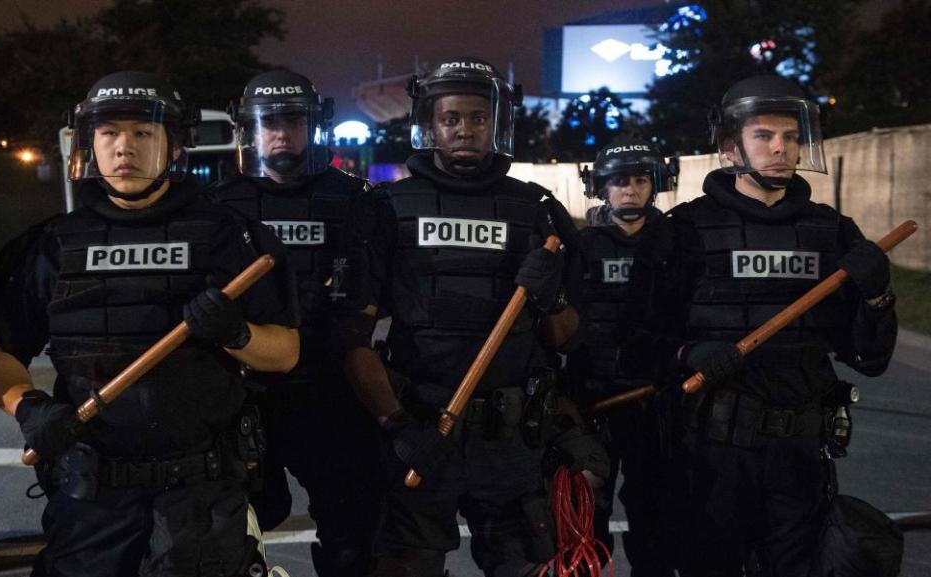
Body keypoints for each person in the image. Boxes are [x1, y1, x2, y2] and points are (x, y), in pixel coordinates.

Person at [0, 71, 300, 577]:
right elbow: (0, 355)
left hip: (200, 495)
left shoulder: (232, 238)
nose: (124, 147)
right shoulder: (48, 246)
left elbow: (284, 353)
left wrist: (236, 334)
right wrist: (28, 407)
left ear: (173, 146)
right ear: (89, 144)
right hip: (90, 495)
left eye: (143, 133)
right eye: (109, 133)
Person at [343, 57, 608, 577]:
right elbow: (352, 337)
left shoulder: (537, 210)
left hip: (509, 439)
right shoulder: (387, 209)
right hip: (424, 426)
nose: (465, 129)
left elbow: (563, 337)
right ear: (430, 125)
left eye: (478, 118)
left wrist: (549, 298)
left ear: (496, 124)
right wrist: (396, 426)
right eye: (451, 119)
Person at [629, 75, 897, 577]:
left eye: (791, 137)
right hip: (712, 457)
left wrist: (878, 295)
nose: (781, 148)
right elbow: (634, 341)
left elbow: (871, 358)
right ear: (731, 147)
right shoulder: (682, 231)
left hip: (800, 455)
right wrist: (687, 355)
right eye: (764, 136)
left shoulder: (832, 231)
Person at [205, 68, 381, 577]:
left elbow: (381, 292)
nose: (282, 133)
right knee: (237, 532)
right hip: (246, 395)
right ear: (251, 131)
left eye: (293, 122)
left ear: (314, 126)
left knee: (353, 534)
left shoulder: (355, 199)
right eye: (270, 123)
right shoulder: (219, 205)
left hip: (335, 388)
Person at [569, 138, 682, 576]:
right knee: (586, 511)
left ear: (656, 185)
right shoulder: (582, 246)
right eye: (620, 182)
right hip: (592, 400)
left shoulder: (677, 245)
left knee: (653, 510)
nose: (631, 190)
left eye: (640, 180)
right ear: (602, 187)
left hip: (655, 401)